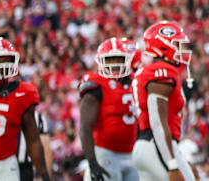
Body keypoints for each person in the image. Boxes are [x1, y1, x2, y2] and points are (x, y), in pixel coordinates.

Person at [0, 37, 51, 181]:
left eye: (5, 60)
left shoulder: (24, 93)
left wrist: (44, 175)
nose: (1, 65)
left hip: (6, 165)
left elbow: (33, 139)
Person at [132, 22, 196, 181]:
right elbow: (157, 122)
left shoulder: (147, 72)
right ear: (164, 46)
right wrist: (173, 163)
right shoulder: (162, 71)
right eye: (177, 44)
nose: (181, 50)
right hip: (156, 144)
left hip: (146, 145)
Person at [79, 37, 139, 181]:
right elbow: (85, 128)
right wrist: (92, 162)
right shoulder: (95, 84)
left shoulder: (136, 81)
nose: (115, 64)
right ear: (100, 61)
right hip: (106, 154)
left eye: (119, 59)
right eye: (110, 60)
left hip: (132, 153)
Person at [17, 109, 52, 181]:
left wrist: (45, 176)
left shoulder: (38, 118)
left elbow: (46, 150)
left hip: (27, 168)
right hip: (7, 164)